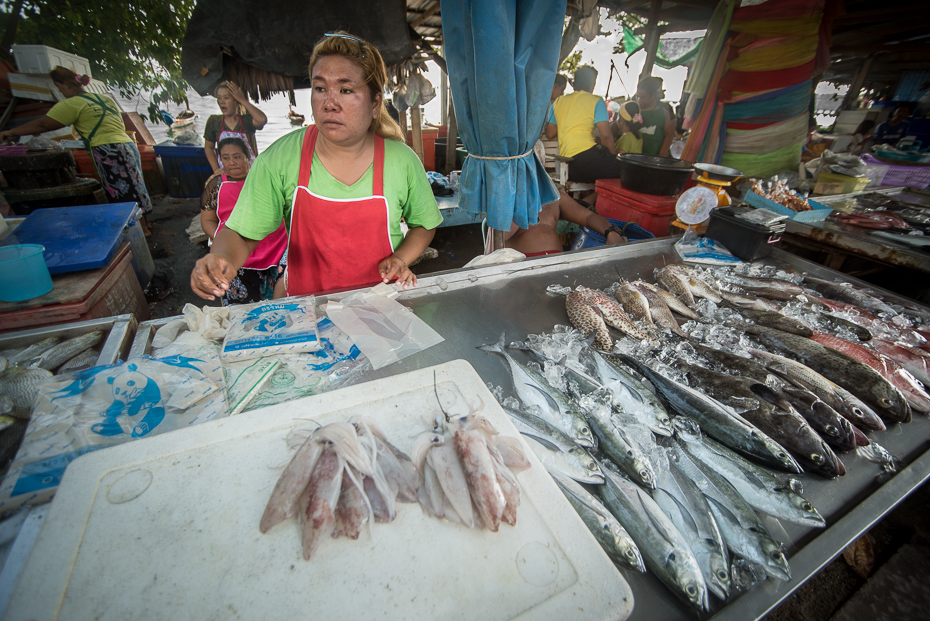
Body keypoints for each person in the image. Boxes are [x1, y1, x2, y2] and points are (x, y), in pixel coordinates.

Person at [190, 31, 442, 301]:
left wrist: (401, 258)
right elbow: (240, 233)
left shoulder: (401, 161)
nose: (329, 103)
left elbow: (424, 225)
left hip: (378, 305)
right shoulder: (282, 158)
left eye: (346, 90)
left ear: (376, 103)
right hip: (304, 307)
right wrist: (219, 259)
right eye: (320, 88)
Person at [0, 66, 154, 235]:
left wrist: (11, 132)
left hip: (108, 149)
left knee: (120, 190)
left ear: (65, 84)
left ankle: (140, 230)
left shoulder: (72, 103)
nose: (60, 91)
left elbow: (43, 124)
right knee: (136, 185)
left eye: (59, 87)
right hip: (127, 145)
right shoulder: (103, 99)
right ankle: (145, 226)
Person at [200, 137, 287, 305]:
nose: (232, 162)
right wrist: (227, 240)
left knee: (276, 305)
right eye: (226, 158)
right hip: (236, 254)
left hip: (273, 250)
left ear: (249, 158)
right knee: (241, 309)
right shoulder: (215, 185)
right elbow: (207, 220)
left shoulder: (265, 178)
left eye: (237, 157)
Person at [545, 65, 623, 183]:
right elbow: (606, 136)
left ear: (574, 83)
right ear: (592, 84)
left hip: (568, 165)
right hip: (586, 162)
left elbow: (550, 133)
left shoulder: (558, 101)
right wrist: (612, 158)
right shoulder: (597, 101)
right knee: (627, 170)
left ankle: (587, 200)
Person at [504, 191, 627, 256]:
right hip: (521, 268)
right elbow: (500, 238)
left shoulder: (555, 196)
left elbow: (588, 216)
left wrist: (611, 232)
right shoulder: (506, 197)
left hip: (557, 266)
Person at [203, 81, 268, 175]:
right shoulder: (214, 122)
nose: (222, 101)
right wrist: (216, 169)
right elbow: (209, 148)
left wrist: (243, 100)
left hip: (250, 173)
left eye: (226, 98)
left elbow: (262, 120)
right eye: (219, 98)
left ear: (236, 101)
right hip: (226, 173)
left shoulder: (247, 121)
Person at [635, 76, 676, 157]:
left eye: (642, 97)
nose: (639, 100)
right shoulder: (634, 107)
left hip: (654, 157)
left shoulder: (665, 109)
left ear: (653, 96)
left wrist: (661, 156)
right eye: (638, 96)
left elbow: (669, 134)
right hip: (633, 156)